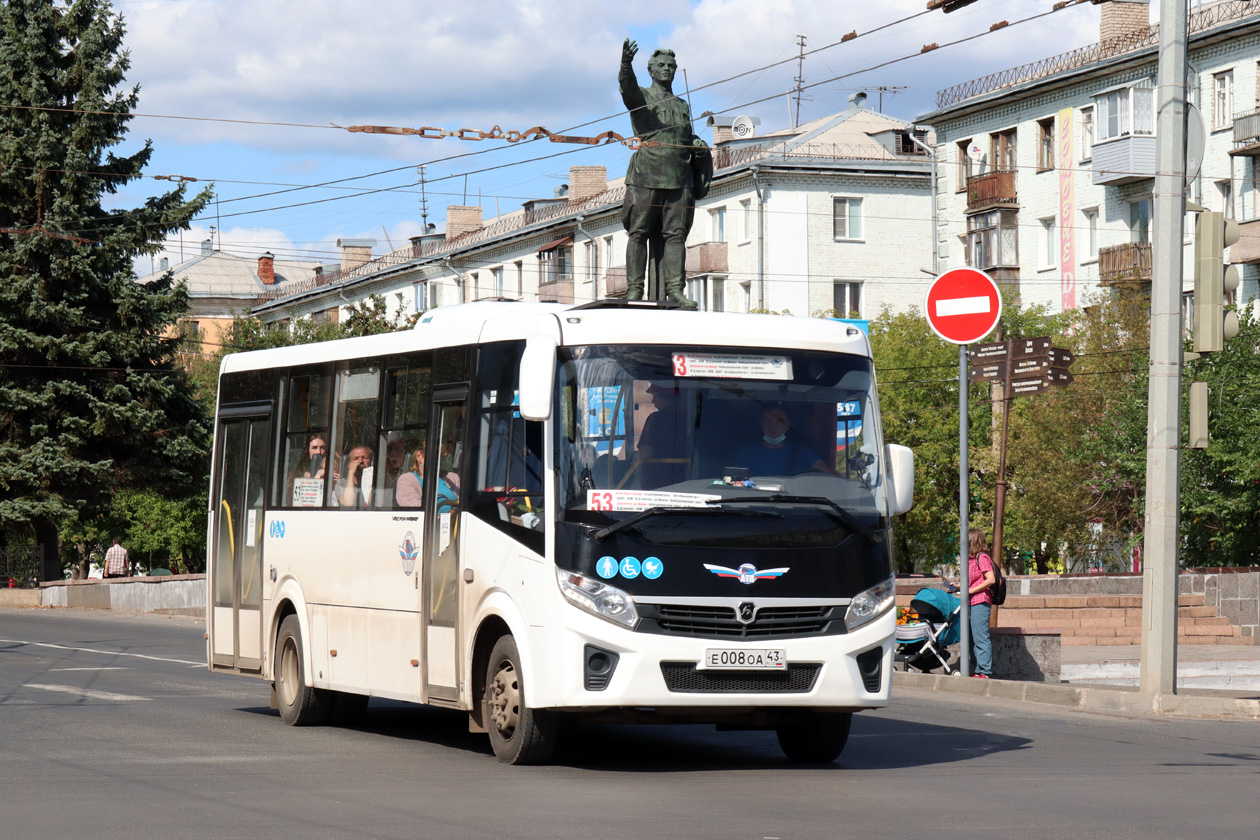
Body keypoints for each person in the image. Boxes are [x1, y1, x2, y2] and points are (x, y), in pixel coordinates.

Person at [619, 39, 711, 308]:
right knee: (638, 232)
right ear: (651, 70)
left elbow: (685, 136)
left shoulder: (682, 105)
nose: (666, 69)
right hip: (647, 174)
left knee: (676, 235)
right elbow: (627, 89)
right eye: (661, 65)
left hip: (679, 177)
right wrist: (625, 64)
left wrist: (697, 145)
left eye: (671, 66)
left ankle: (675, 290)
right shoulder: (643, 97)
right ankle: (635, 290)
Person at [734, 407, 834, 476]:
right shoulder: (746, 453)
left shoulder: (802, 452)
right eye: (768, 421)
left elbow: (830, 475)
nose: (773, 427)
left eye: (779, 421)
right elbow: (735, 483)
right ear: (762, 425)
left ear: (787, 425)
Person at [958, 527, 997, 679]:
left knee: (980, 637)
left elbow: (991, 579)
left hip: (980, 601)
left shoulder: (982, 558)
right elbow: (971, 581)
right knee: (971, 638)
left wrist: (972, 590)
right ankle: (977, 670)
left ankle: (984, 672)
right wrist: (959, 586)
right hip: (970, 602)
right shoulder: (970, 560)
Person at [636, 383, 689, 488]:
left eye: (655, 397)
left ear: (665, 397)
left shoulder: (656, 419)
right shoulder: (688, 418)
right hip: (684, 480)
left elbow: (645, 453)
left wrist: (635, 458)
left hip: (657, 482)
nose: (653, 401)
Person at [395, 438, 456, 510]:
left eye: (442, 458)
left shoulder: (452, 478)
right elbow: (416, 510)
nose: (439, 462)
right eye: (436, 457)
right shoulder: (406, 480)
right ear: (419, 456)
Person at [336, 445, 374, 509]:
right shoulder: (342, 483)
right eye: (355, 459)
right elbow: (348, 503)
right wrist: (351, 472)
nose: (360, 461)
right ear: (349, 464)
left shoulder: (377, 482)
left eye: (365, 458)